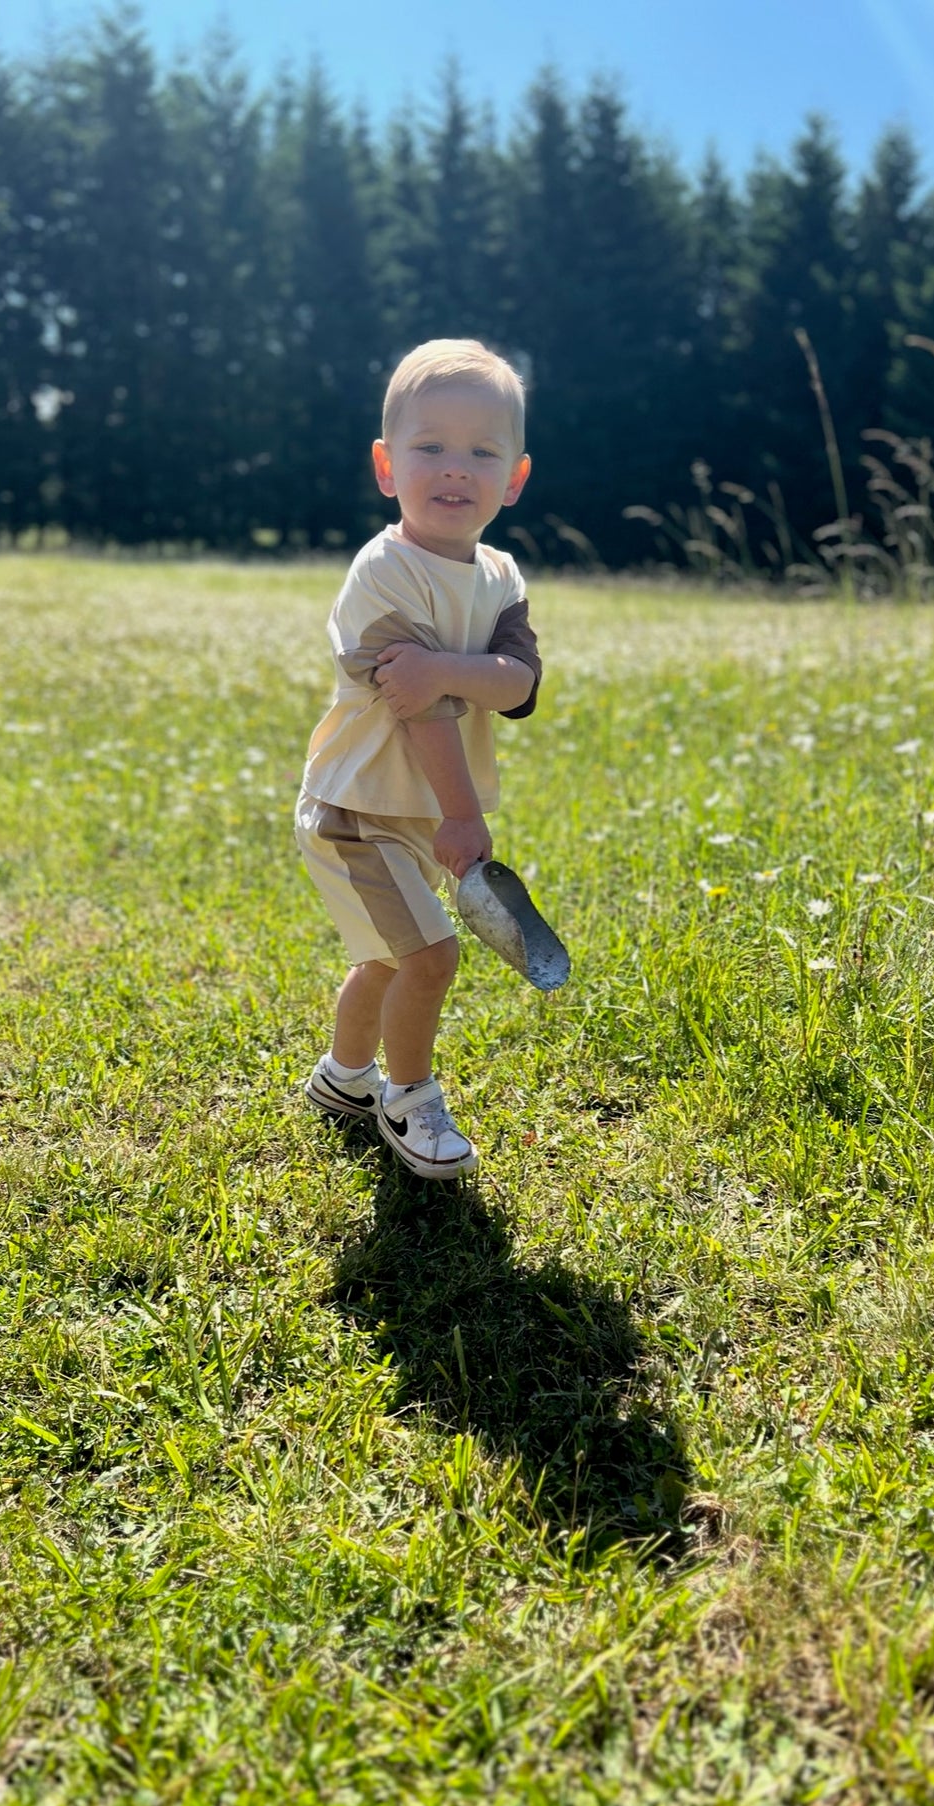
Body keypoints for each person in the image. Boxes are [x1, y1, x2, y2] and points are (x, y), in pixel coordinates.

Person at [295, 339, 543, 1179]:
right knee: (430, 957)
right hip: (356, 808)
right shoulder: (384, 571)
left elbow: (519, 682)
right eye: (429, 445)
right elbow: (421, 706)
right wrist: (463, 810)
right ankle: (407, 1098)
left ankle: (342, 1078)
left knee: (388, 955)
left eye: (482, 451)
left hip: (417, 809)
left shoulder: (500, 577)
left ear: (513, 479)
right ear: (385, 465)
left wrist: (453, 669)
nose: (454, 467)